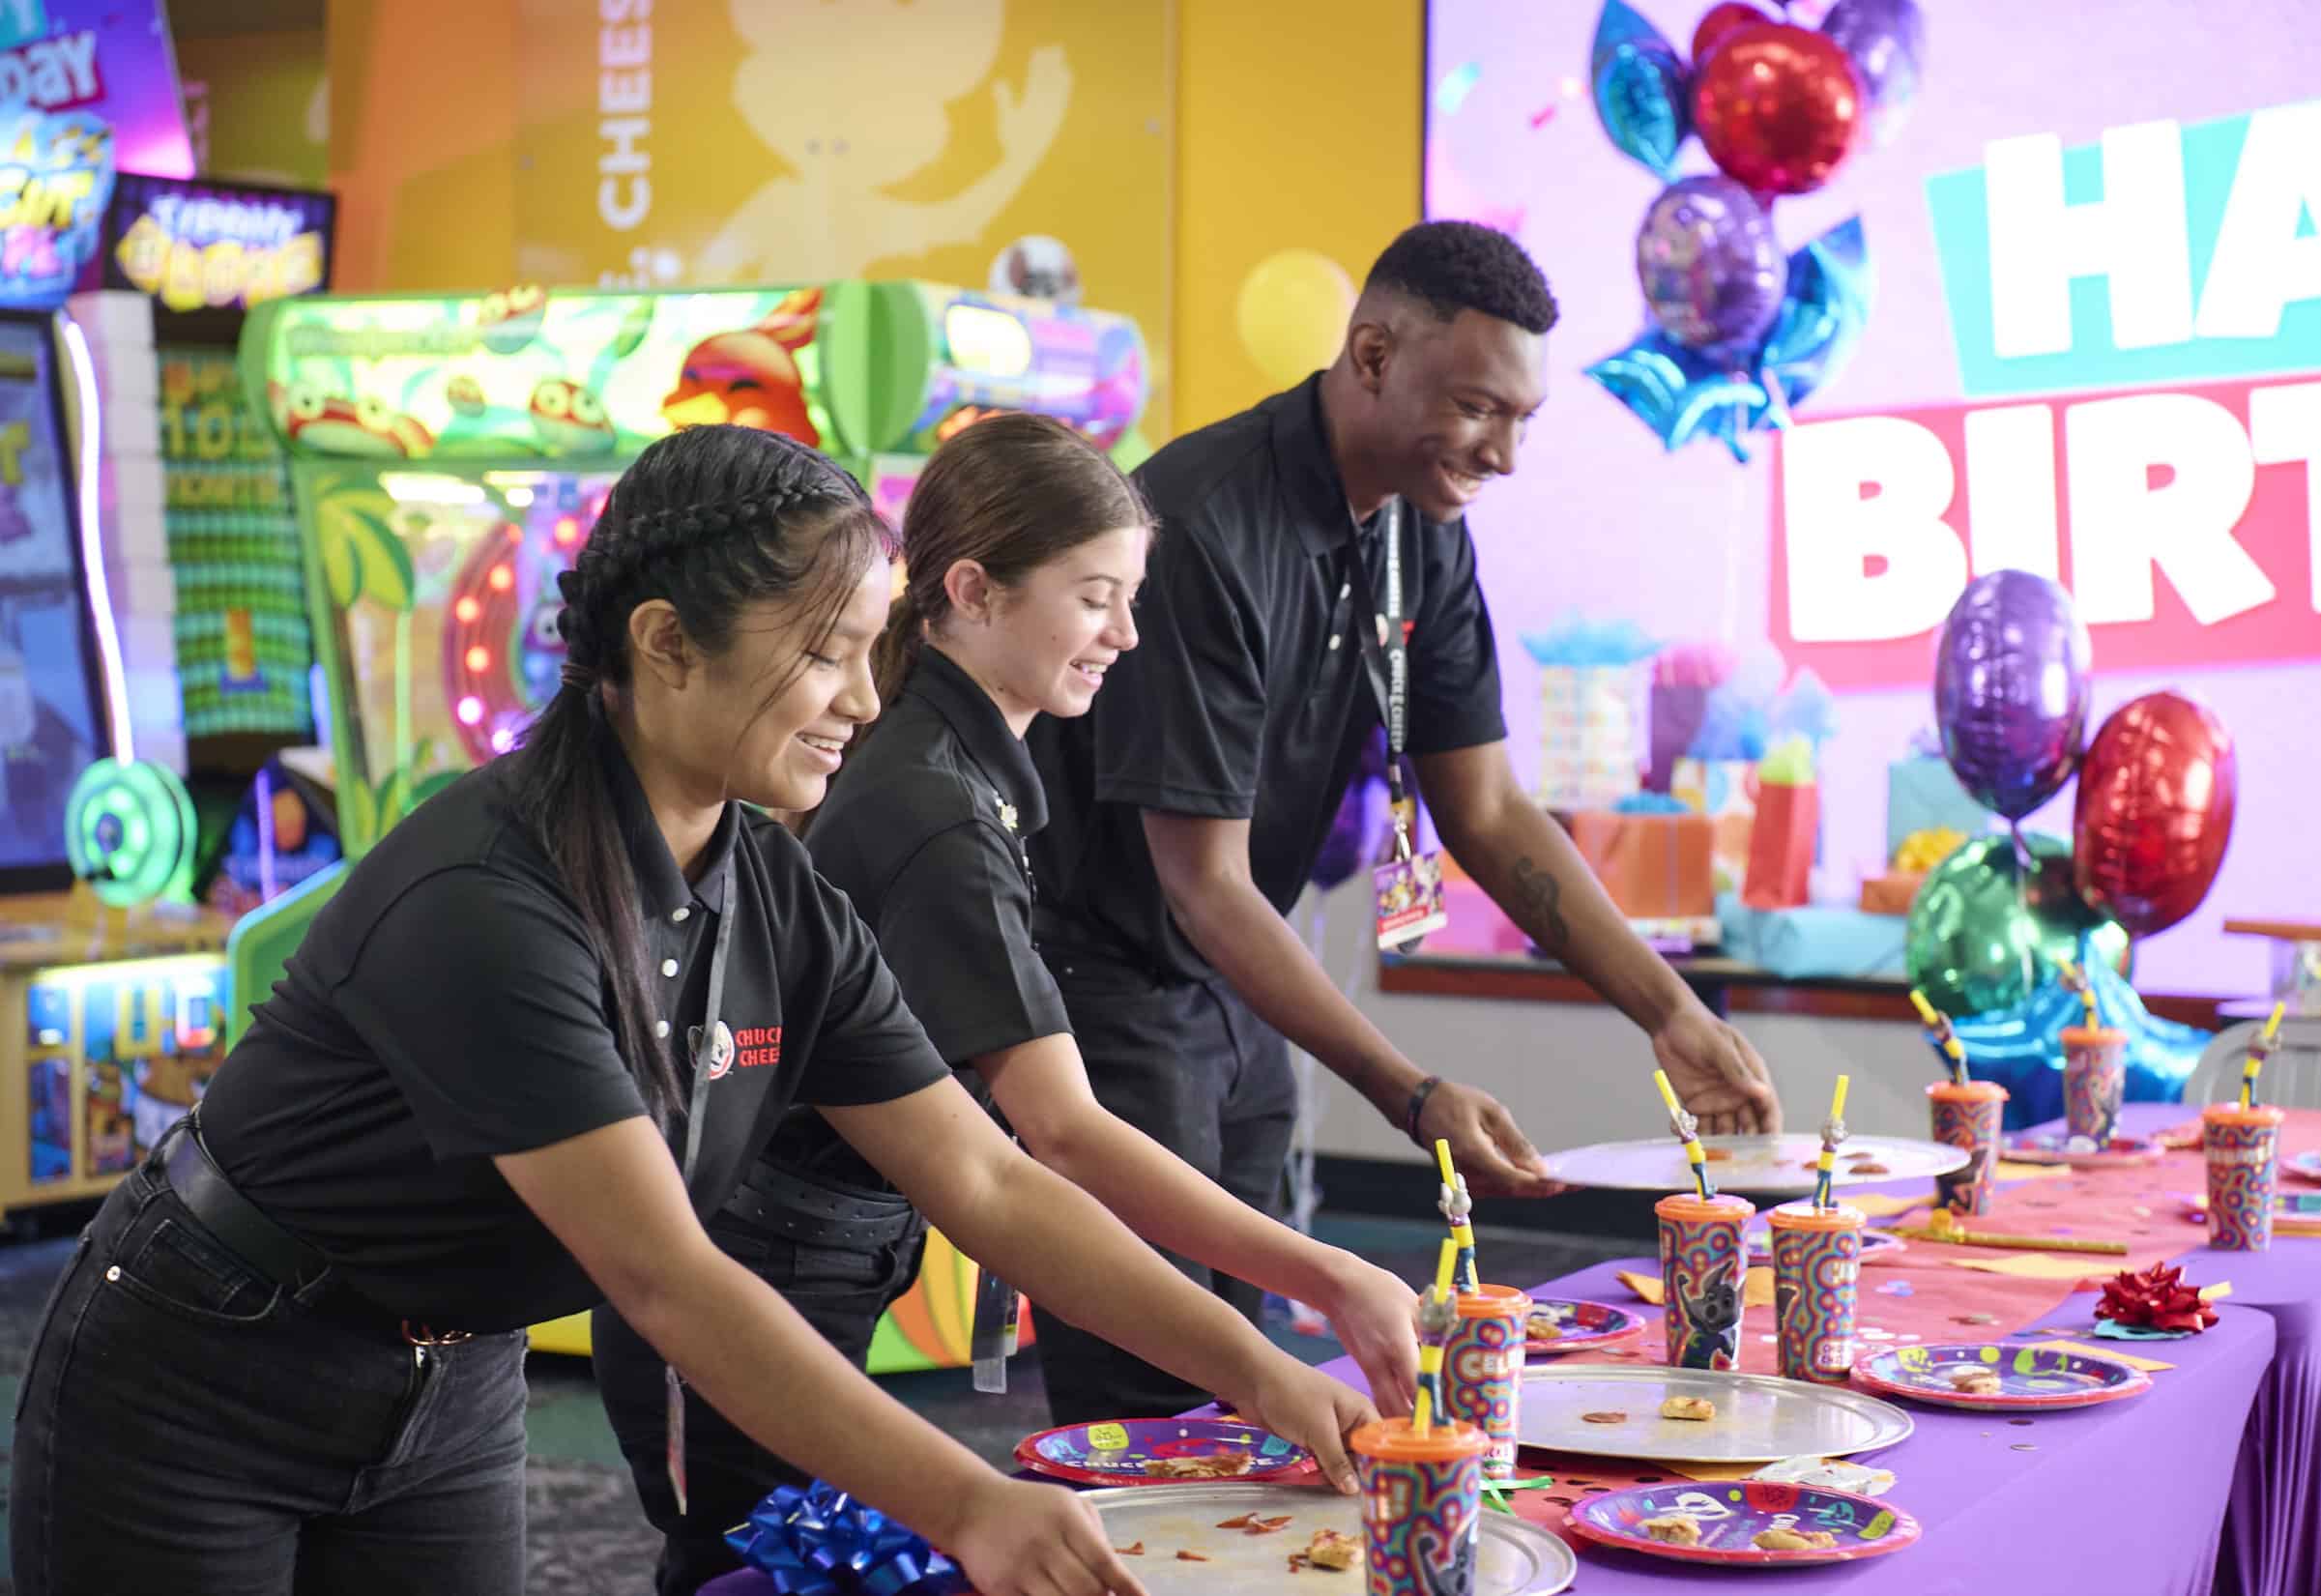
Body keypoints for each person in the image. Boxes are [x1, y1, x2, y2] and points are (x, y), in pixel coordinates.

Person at [11, 423, 1373, 1596]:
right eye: (826, 653)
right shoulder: (489, 893)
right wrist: (965, 1500)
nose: (862, 696)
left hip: (455, 1363)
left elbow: (986, 1178)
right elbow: (669, 1276)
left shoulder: (772, 881)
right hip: (210, 1373)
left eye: (869, 648)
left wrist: (1263, 1371)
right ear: (666, 644)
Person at [594, 414, 1420, 1596]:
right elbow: (1057, 1134)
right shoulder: (929, 803)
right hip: (745, 1274)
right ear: (972, 591)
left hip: (818, 1245)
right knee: (753, 1568)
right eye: (1095, 598)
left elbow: (1001, 1153)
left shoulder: (963, 775)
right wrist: (1316, 1288)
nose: (1126, 635)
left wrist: (1283, 1323)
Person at [1026, 220, 1784, 1422]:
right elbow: (1202, 884)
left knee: (1261, 1390)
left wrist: (1670, 1009)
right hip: (1103, 996)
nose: (1506, 453)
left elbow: (1482, 805)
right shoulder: (1204, 524)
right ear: (1371, 356)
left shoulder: (1421, 529)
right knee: (1152, 1410)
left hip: (1230, 998)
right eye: (1481, 408)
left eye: (1523, 419)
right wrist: (1411, 1094)